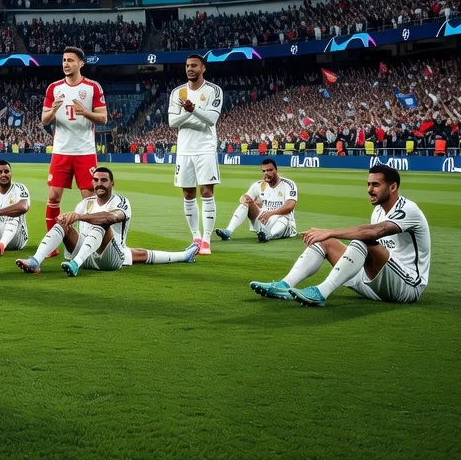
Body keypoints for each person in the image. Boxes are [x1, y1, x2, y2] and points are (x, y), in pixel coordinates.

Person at [250, 165, 430, 306]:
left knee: (362, 239)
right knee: (325, 242)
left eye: (376, 185)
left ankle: (321, 292)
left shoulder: (408, 209)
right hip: (375, 284)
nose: (369, 189)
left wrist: (330, 231)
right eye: (368, 184)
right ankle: (284, 285)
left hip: (407, 288)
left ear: (393, 187)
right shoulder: (378, 211)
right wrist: (326, 236)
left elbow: (376, 232)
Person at [15, 167, 200, 275]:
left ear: (112, 183)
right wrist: (65, 219)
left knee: (102, 225)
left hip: (110, 259)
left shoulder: (121, 202)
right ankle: (35, 261)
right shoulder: (85, 203)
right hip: (86, 255)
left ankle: (75, 265)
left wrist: (78, 217)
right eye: (96, 180)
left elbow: (111, 218)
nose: (99, 184)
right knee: (62, 224)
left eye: (104, 180)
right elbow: (145, 255)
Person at [41, 46, 106, 254]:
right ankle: (51, 246)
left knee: (88, 200)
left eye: (70, 60)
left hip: (85, 151)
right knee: (53, 197)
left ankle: (88, 243)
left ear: (81, 63)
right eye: (64, 61)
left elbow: (103, 118)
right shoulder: (54, 88)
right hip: (61, 151)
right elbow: (44, 120)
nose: (66, 64)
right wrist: (53, 110)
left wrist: (85, 112)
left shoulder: (92, 87)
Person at [169, 54, 223, 255]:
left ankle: (207, 240)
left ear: (203, 68)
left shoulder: (213, 90)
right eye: (187, 65)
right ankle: (196, 237)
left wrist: (193, 110)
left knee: (207, 193)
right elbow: (172, 122)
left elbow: (211, 119)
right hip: (184, 150)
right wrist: (191, 114)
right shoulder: (177, 92)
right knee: (188, 194)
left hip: (205, 148)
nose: (190, 68)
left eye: (194, 65)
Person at [215, 158, 298, 243]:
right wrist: (248, 201)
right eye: (264, 171)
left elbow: (290, 206)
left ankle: (269, 235)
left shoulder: (288, 184)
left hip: (284, 224)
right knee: (245, 204)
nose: (266, 173)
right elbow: (244, 197)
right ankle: (228, 231)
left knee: (283, 218)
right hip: (264, 220)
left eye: (270, 170)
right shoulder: (258, 185)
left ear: (276, 170)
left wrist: (271, 213)